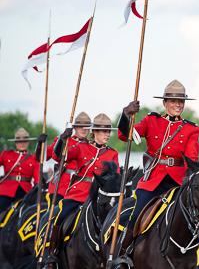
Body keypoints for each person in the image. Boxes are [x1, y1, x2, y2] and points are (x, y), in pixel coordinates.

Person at [113, 80, 199, 268]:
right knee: (137, 214)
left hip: (177, 182)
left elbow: (192, 157)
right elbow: (125, 136)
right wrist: (126, 114)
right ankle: (122, 255)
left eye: (181, 102)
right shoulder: (152, 120)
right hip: (153, 181)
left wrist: (189, 177)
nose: (178, 105)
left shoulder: (191, 128)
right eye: (173, 101)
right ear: (165, 103)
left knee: (195, 215)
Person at [43, 114, 119, 269]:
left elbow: (114, 177)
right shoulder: (80, 147)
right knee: (60, 216)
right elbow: (59, 157)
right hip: (78, 194)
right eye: (104, 131)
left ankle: (116, 255)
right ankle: (52, 256)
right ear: (95, 132)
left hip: (99, 197)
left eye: (109, 132)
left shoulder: (113, 153)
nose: (107, 135)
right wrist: (62, 141)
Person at [35, 112, 92, 207]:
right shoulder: (64, 140)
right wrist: (40, 145)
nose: (84, 129)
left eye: (86, 127)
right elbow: (42, 157)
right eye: (80, 126)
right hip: (62, 186)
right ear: (74, 128)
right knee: (53, 217)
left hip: (83, 188)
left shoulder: (92, 146)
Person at [0, 128, 39, 212]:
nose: (22, 143)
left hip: (25, 191)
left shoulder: (34, 159)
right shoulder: (6, 154)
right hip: (7, 190)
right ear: (15, 142)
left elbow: (37, 178)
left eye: (25, 141)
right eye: (20, 141)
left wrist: (37, 186)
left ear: (28, 142)